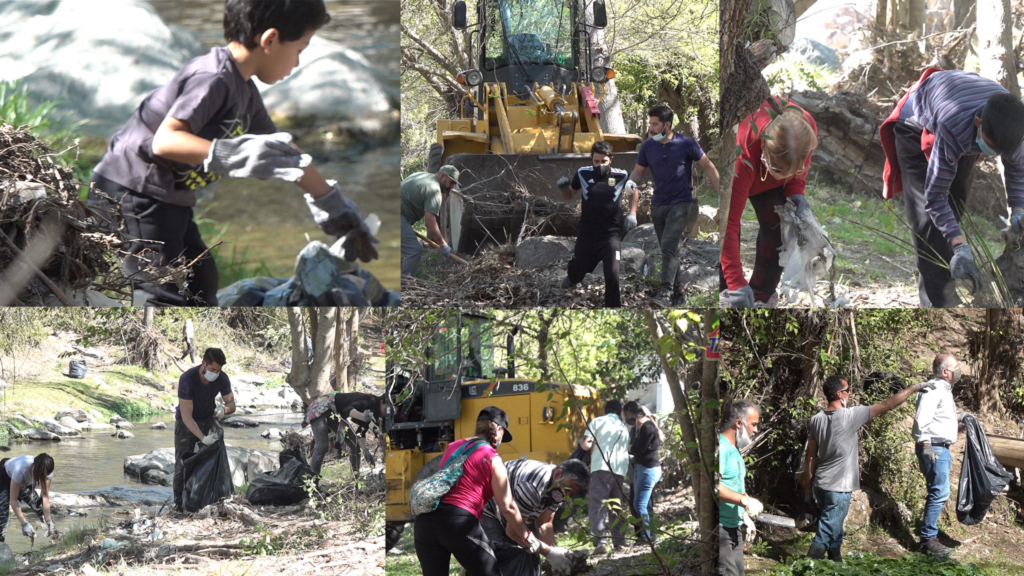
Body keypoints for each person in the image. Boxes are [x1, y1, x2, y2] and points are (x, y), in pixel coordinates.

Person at [87, 0, 377, 306]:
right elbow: (165, 141)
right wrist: (235, 154)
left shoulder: (244, 91)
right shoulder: (213, 77)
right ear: (270, 40)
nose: (296, 63)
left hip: (168, 198)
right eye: (300, 49)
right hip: (133, 192)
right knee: (161, 291)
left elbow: (286, 153)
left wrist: (334, 205)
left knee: (203, 278)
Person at [880, 69, 1024, 307]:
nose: (994, 155)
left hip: (964, 117)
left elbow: (1017, 168)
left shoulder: (1014, 128)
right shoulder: (954, 124)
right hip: (916, 124)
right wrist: (961, 247)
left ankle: (950, 275)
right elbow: (935, 197)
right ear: (979, 124)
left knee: (956, 204)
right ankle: (940, 304)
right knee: (928, 223)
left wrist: (1018, 210)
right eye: (990, 147)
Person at [804, 375, 935, 561]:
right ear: (840, 394)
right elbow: (888, 405)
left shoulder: (816, 419)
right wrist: (913, 388)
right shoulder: (850, 416)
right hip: (839, 487)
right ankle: (806, 567)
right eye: (848, 390)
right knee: (826, 530)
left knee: (835, 527)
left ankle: (836, 564)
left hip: (821, 484)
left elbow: (810, 456)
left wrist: (808, 490)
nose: (850, 394)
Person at [720, 97, 818, 308]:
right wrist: (736, 283)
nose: (785, 177)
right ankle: (730, 297)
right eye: (781, 172)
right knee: (727, 257)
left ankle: (762, 297)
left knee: (779, 225)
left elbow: (801, 166)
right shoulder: (742, 155)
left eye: (793, 170)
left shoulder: (806, 129)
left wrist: (796, 190)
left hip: (767, 171)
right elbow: (728, 225)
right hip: (748, 169)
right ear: (765, 146)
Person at [414, 407, 531, 576]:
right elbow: (508, 506)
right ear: (498, 429)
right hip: (457, 521)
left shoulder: (453, 447)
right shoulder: (492, 457)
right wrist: (526, 535)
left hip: (425, 520)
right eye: (503, 435)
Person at [627, 104, 721, 307]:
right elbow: (638, 171)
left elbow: (708, 166)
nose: (651, 128)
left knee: (669, 245)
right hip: (658, 205)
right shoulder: (647, 147)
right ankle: (679, 293)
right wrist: (631, 182)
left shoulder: (686, 143)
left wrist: (723, 194)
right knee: (668, 250)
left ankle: (665, 294)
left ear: (667, 125)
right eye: (650, 123)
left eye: (655, 124)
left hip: (681, 203)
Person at [556, 141, 635, 307]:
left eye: (603, 161)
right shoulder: (583, 173)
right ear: (592, 160)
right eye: (596, 161)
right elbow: (569, 195)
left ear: (611, 159)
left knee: (613, 275)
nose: (600, 165)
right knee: (580, 267)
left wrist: (632, 214)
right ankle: (572, 278)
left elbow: (635, 192)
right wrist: (563, 188)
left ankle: (613, 308)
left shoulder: (621, 175)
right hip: (588, 233)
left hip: (611, 235)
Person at [480, 459, 590, 576]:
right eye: (567, 489)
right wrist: (548, 552)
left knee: (530, 557)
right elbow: (513, 531)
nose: (566, 496)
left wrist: (553, 555)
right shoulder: (532, 488)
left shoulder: (558, 487)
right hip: (487, 508)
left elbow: (545, 522)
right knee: (504, 558)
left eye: (572, 493)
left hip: (513, 510)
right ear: (558, 474)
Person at [913, 353, 967, 555]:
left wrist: (960, 417)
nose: (959, 370)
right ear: (945, 371)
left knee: (938, 491)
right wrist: (926, 444)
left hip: (940, 446)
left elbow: (939, 416)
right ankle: (928, 539)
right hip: (933, 446)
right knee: (940, 492)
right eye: (956, 366)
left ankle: (929, 536)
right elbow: (922, 418)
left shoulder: (944, 390)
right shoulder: (933, 389)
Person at [173, 348, 235, 512]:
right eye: (212, 369)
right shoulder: (188, 379)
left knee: (208, 463)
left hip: (208, 420)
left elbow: (231, 404)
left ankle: (204, 502)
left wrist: (224, 410)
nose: (215, 373)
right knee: (182, 466)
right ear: (203, 363)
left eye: (218, 370)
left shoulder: (221, 378)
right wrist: (202, 438)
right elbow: (187, 416)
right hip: (186, 424)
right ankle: (179, 506)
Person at [579, 399, 630, 554]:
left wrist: (581, 441)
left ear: (605, 410)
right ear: (619, 412)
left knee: (598, 504)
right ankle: (619, 542)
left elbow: (586, 444)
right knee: (616, 506)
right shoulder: (623, 427)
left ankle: (600, 542)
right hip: (620, 470)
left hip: (601, 467)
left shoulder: (598, 421)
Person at [718, 400, 763, 576]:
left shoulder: (734, 450)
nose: (756, 430)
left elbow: (733, 485)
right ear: (738, 423)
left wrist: (744, 515)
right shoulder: (721, 449)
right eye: (754, 424)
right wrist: (743, 500)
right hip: (720, 529)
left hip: (734, 527)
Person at [400, 166, 461, 281]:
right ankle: (404, 286)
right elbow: (430, 223)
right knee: (414, 250)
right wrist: (443, 245)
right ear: (443, 176)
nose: (452, 187)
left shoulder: (421, 175)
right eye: (451, 182)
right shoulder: (434, 190)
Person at [302, 391, 384, 474]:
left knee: (355, 444)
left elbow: (360, 433)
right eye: (387, 408)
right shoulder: (369, 400)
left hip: (335, 414)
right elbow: (348, 410)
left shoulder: (373, 414)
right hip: (322, 406)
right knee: (322, 446)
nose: (387, 413)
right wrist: (362, 416)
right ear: (381, 402)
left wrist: (365, 450)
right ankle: (313, 481)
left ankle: (356, 479)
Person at [623, 402, 663, 543]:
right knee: (641, 504)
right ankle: (649, 535)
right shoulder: (637, 428)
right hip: (640, 468)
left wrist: (629, 448)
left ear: (631, 413)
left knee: (639, 505)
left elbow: (638, 448)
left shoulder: (648, 427)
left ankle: (646, 536)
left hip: (648, 469)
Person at [0, 454, 56, 543]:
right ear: (35, 469)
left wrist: (49, 520)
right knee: (2, 515)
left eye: (45, 476)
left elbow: (45, 497)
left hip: (21, 480)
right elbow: (13, 500)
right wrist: (24, 523)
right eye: (41, 476)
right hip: (4, 475)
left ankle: (53, 536)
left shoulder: (48, 470)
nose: (43, 478)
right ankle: (1, 547)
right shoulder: (21, 469)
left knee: (38, 505)